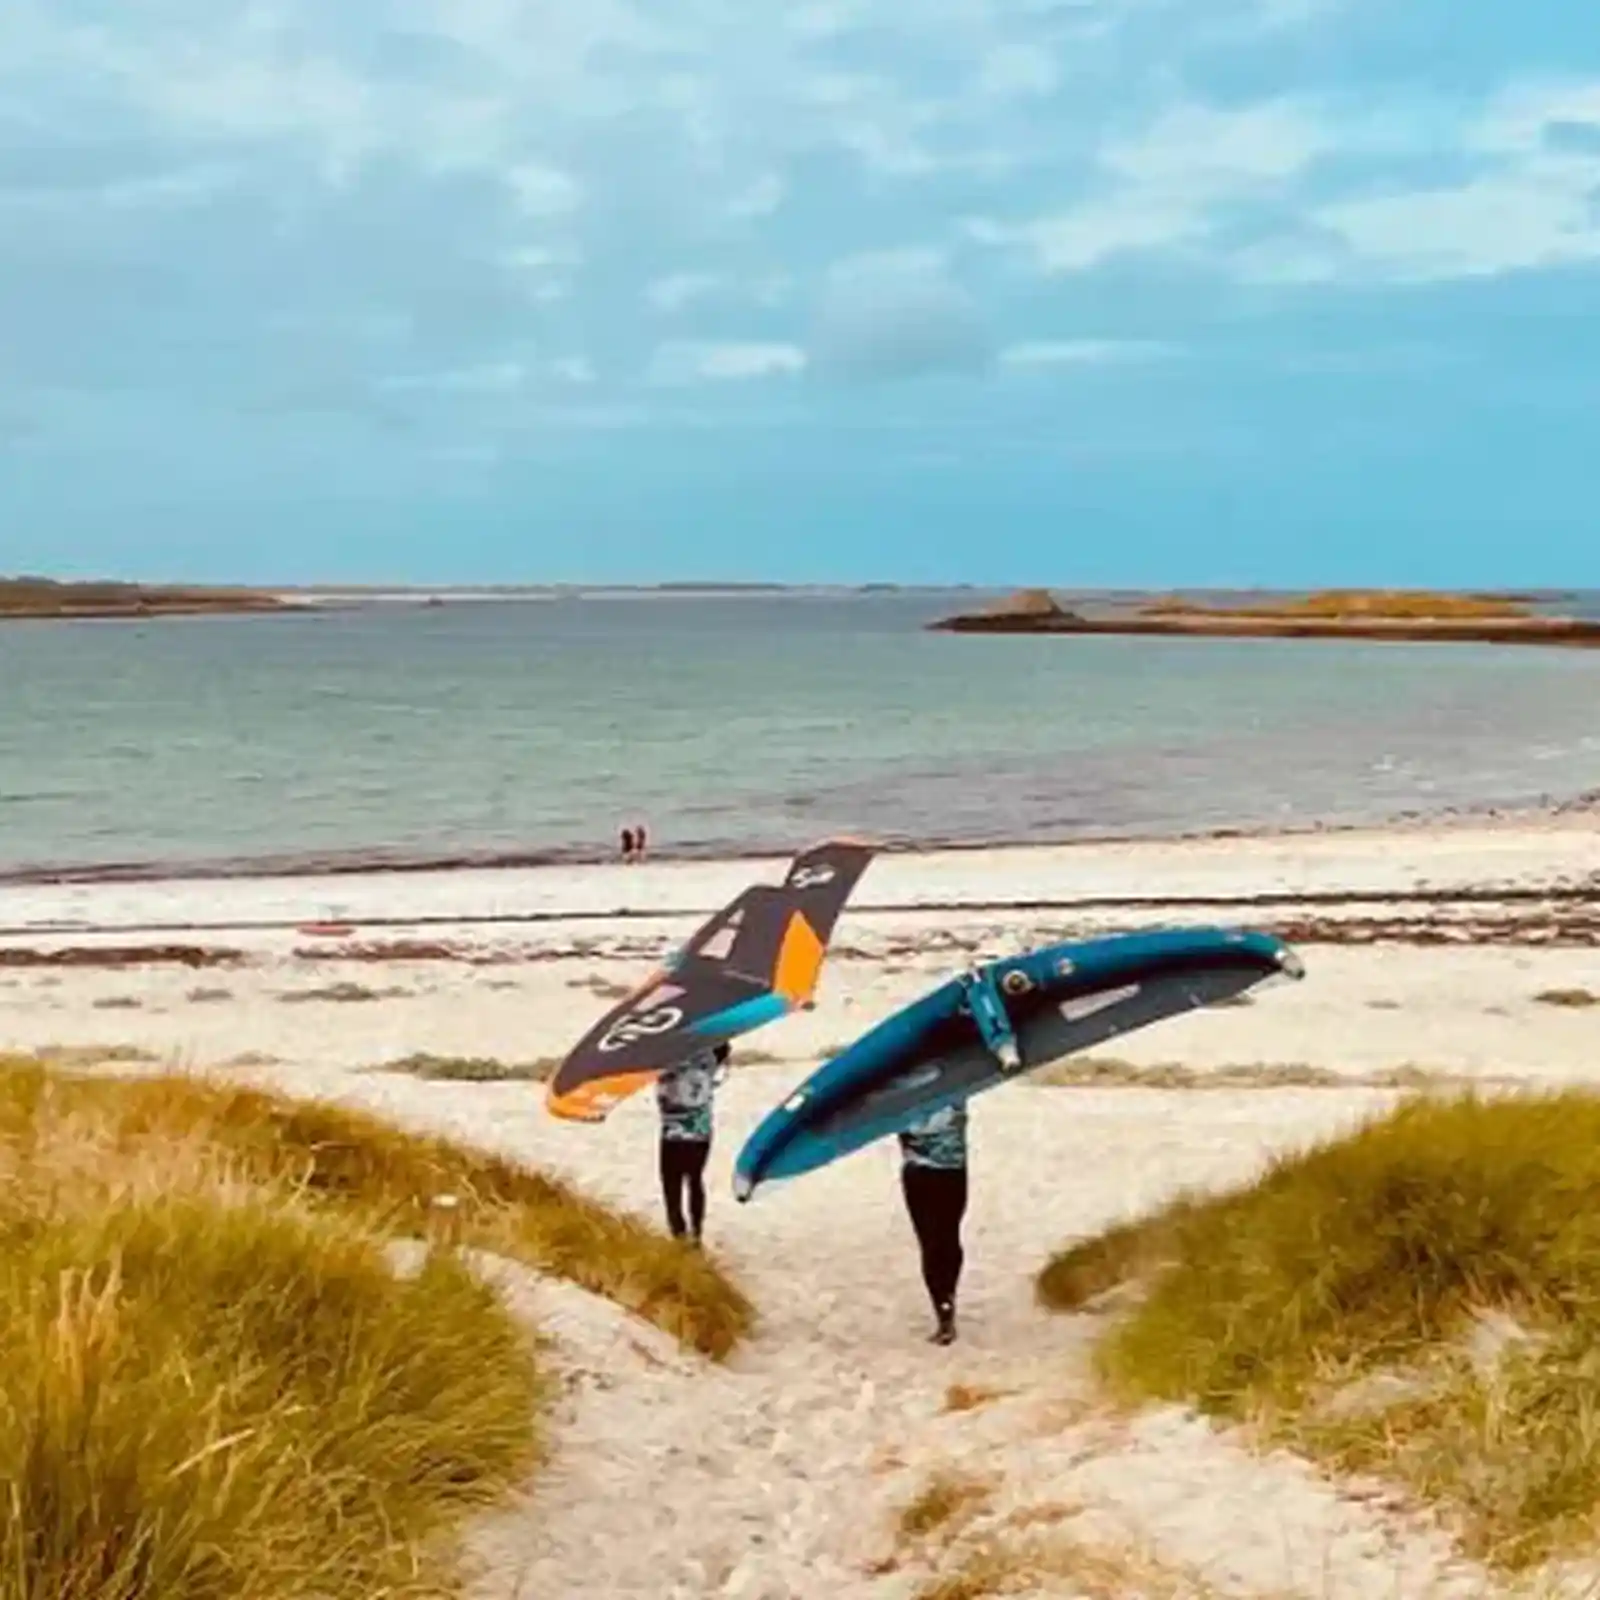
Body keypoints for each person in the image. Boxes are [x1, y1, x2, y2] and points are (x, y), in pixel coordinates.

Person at [898, 1100, 969, 1345]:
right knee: (934, 1241)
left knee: (943, 1239)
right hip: (926, 1172)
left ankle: (946, 1303)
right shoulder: (906, 1087)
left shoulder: (955, 1082)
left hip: (948, 1172)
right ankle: (945, 1307)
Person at [655, 1041, 730, 1243]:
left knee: (672, 1183)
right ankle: (696, 1232)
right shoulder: (710, 1058)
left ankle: (679, 1234)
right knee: (694, 1179)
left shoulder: (666, 1057)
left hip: (673, 1131)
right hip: (701, 1131)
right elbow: (724, 1050)